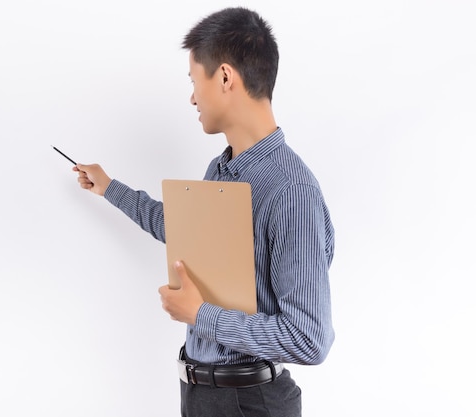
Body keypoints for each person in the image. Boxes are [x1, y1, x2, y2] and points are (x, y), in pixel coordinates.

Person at [72, 7, 335, 417]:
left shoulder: (290, 191)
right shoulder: (222, 168)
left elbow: (309, 338)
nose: (192, 97)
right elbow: (181, 229)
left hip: (250, 404)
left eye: (195, 81)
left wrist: (199, 314)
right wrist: (109, 187)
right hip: (202, 395)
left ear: (226, 77)